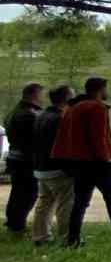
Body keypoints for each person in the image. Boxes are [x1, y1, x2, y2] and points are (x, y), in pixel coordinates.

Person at [53, 77, 111, 248]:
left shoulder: (72, 108)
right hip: (96, 163)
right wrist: (106, 159)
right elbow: (98, 138)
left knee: (80, 202)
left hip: (78, 163)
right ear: (100, 89)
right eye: (105, 89)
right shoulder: (96, 107)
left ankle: (72, 240)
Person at [30, 85, 74, 247]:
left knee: (44, 203)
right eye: (72, 96)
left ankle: (40, 236)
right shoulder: (60, 119)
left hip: (41, 168)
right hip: (58, 169)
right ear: (67, 98)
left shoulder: (41, 116)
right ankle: (67, 239)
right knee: (65, 205)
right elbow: (64, 146)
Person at [4, 83, 43, 234]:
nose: (42, 98)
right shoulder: (28, 114)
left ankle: (13, 221)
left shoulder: (13, 111)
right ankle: (18, 224)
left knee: (17, 192)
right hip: (25, 160)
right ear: (34, 95)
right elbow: (35, 139)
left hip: (15, 157)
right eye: (41, 94)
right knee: (29, 193)